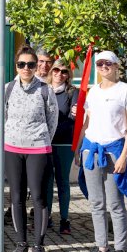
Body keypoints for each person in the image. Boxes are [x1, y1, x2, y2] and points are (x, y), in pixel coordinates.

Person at [75, 50, 127, 252]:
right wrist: (80, 147)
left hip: (113, 151)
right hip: (90, 150)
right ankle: (102, 248)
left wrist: (124, 155)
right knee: (95, 202)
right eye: (99, 64)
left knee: (115, 203)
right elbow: (87, 122)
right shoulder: (93, 92)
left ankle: (121, 250)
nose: (103, 67)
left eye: (108, 64)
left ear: (116, 66)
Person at [5, 45, 59, 252]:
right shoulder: (8, 88)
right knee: (16, 197)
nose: (26, 68)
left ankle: (38, 244)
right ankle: (21, 243)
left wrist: (41, 139)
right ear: (16, 66)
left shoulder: (46, 90)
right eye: (21, 64)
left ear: (37, 66)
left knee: (38, 197)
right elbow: (4, 116)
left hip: (38, 148)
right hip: (12, 148)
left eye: (30, 64)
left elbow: (52, 120)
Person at [46, 59, 78, 235]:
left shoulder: (73, 92)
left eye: (64, 71)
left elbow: (73, 117)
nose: (59, 74)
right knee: (47, 181)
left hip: (64, 141)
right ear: (51, 71)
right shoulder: (43, 90)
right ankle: (47, 216)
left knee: (63, 181)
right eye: (56, 70)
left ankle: (65, 219)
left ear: (68, 75)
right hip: (45, 142)